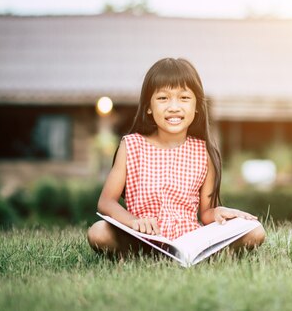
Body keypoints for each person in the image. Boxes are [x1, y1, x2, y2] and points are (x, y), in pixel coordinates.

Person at [87, 58, 266, 258]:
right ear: (148, 106)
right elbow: (106, 202)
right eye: (163, 98)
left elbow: (206, 213)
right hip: (142, 237)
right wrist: (133, 222)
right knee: (98, 232)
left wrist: (218, 212)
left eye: (184, 98)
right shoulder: (131, 146)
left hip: (190, 240)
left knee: (255, 231)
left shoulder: (204, 152)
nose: (174, 107)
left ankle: (193, 256)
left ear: (197, 105)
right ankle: (148, 254)